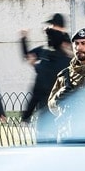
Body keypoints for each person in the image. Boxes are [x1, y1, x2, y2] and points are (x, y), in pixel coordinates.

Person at [20, 13, 72, 143]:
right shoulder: (50, 55)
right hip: (60, 111)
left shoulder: (49, 58)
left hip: (51, 111)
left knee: (46, 146)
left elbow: (37, 90)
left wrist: (26, 116)